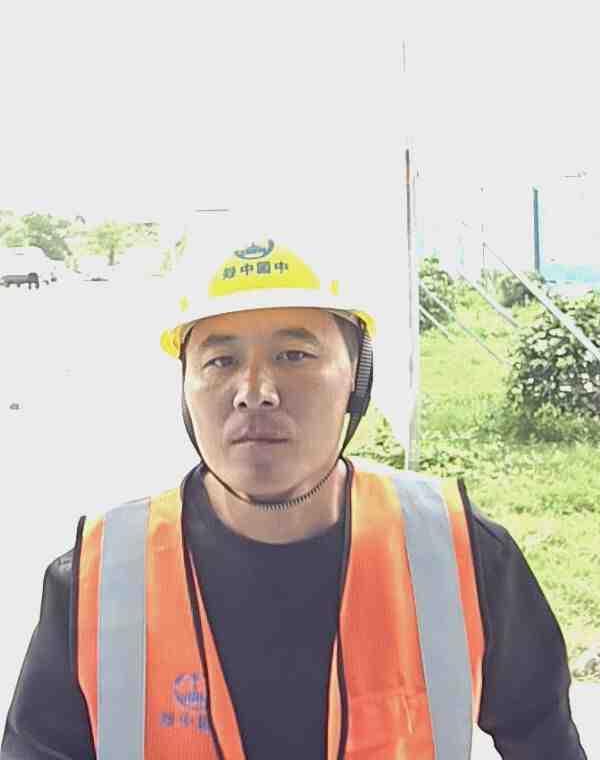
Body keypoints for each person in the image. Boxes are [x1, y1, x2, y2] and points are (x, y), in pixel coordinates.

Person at [1, 235, 588, 759]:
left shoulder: (458, 555)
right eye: (221, 360)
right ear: (185, 389)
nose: (255, 392)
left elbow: (546, 741)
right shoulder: (99, 581)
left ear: (357, 378)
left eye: (294, 355)